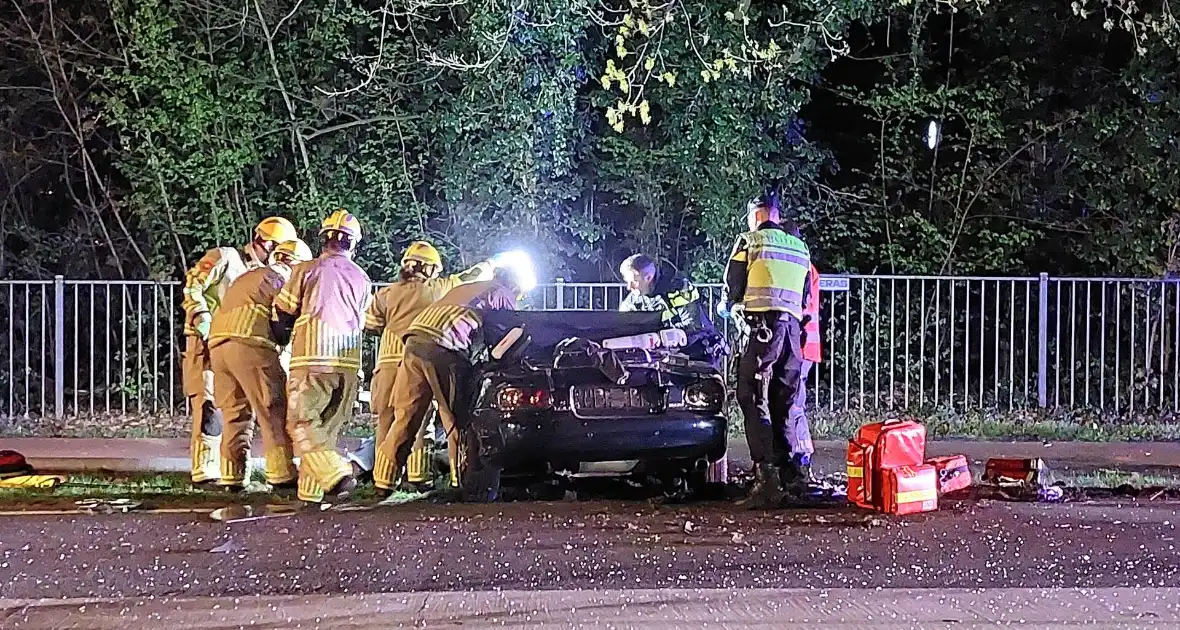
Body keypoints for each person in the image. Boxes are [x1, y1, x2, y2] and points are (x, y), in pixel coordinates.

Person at [372, 267, 528, 499]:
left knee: (406, 416)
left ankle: (383, 481)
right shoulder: (501, 293)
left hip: (414, 341)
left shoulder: (466, 287)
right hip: (445, 346)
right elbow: (508, 335)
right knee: (457, 419)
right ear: (515, 287)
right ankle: (462, 483)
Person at [350, 242, 494, 488]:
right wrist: (493, 263)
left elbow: (371, 325)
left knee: (386, 420)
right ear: (429, 269)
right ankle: (418, 477)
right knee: (419, 420)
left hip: (386, 362)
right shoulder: (438, 288)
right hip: (416, 359)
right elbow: (469, 278)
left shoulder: (385, 293)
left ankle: (382, 478)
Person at [181, 217, 298, 487]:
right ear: (266, 242)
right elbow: (193, 285)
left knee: (234, 409)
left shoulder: (262, 272)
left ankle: (229, 473)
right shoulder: (225, 257)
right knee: (210, 406)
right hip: (204, 341)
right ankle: (203, 470)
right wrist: (203, 320)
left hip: (228, 343)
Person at [720, 188, 812, 508]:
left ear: (757, 215)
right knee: (784, 402)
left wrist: (730, 306)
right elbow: (804, 297)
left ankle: (766, 478)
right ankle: (792, 476)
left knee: (751, 396)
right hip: (792, 335)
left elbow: (733, 285)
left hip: (762, 329)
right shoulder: (800, 247)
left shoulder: (750, 241)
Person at [272, 210, 372, 504]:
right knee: (325, 430)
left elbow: (284, 309)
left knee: (301, 423)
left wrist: (281, 336)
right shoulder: (363, 279)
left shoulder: (306, 270)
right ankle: (310, 495)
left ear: (323, 238)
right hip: (350, 363)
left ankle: (336, 476)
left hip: (313, 358)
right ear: (353, 244)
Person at [207, 239, 313, 490]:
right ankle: (282, 474)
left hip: (218, 345)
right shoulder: (284, 276)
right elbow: (282, 316)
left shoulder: (249, 275)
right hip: (251, 343)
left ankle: (232, 476)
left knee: (236, 413)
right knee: (272, 409)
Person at [618, 254, 727, 367]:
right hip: (660, 357)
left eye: (634, 282)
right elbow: (623, 325)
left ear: (649, 277)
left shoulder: (678, 288)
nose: (629, 287)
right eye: (628, 281)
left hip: (697, 353)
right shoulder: (634, 298)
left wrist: (660, 337)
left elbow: (694, 326)